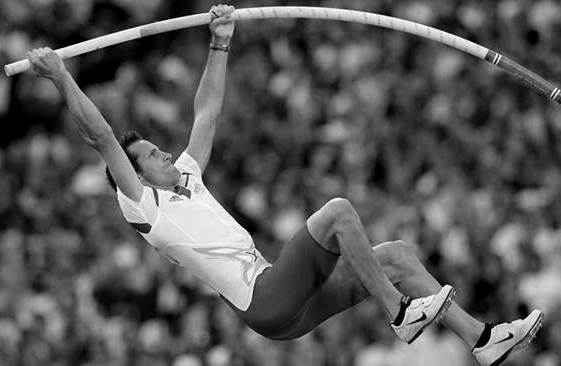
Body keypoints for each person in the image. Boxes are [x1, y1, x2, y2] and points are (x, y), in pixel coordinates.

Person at [26, 4, 542, 365]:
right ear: (134, 177)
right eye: (151, 156)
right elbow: (99, 136)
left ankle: (483, 340)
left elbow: (207, 110)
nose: (164, 153)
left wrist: (220, 42)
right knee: (338, 212)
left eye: (160, 149)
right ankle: (398, 314)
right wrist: (60, 75)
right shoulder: (145, 208)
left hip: (284, 307)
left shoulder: (188, 177)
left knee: (399, 257)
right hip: (264, 301)